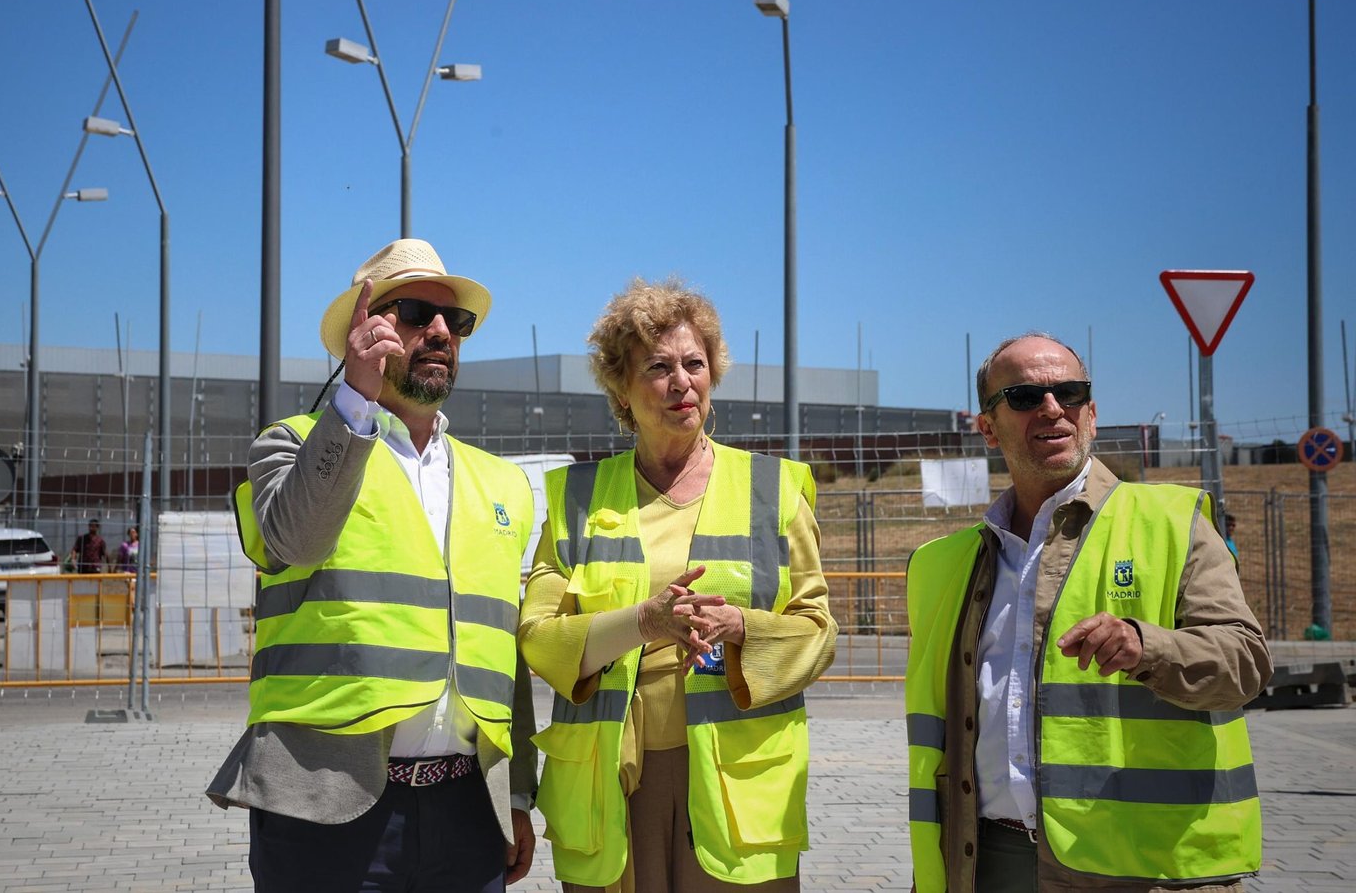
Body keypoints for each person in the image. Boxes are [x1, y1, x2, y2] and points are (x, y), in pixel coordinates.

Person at [207, 238, 538, 892]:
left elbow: (504, 651)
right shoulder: (292, 445)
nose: (441, 332)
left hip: (468, 811)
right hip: (328, 808)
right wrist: (355, 401)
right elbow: (294, 542)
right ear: (366, 326)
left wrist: (518, 794)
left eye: (456, 321)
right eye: (416, 312)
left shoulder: (501, 484)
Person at [904, 333, 1272, 893]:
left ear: (1092, 414)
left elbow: (1245, 663)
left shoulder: (1171, 523)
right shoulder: (942, 564)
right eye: (1025, 397)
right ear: (987, 427)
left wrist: (1149, 647)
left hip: (1146, 865)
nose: (1052, 408)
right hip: (988, 859)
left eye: (1069, 392)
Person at [519, 278, 837, 892]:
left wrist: (743, 627)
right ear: (620, 387)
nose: (681, 382)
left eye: (695, 363)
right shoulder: (575, 499)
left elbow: (818, 633)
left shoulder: (773, 490)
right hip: (611, 781)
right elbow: (538, 635)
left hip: (737, 785)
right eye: (658, 367)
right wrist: (643, 623)